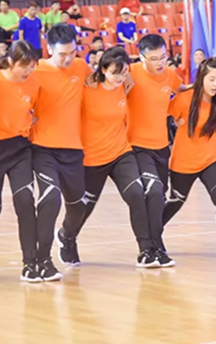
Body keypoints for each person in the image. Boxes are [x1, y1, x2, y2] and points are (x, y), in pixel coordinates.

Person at [66, 47, 159, 267]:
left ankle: (146, 250)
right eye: (115, 72)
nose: (120, 77)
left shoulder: (125, 84)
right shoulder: (86, 89)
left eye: (124, 71)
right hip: (92, 158)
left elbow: (144, 71)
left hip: (120, 152)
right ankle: (67, 237)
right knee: (83, 208)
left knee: (136, 194)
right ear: (103, 70)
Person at [0, 41, 50, 281]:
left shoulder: (34, 83)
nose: (28, 71)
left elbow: (36, 111)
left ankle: (30, 263)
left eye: (32, 66)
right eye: (24, 66)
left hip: (20, 149)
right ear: (10, 62)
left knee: (25, 202)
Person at [163, 58, 216, 257]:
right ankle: (152, 235)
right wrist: (175, 121)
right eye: (211, 79)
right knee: (175, 202)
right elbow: (162, 112)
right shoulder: (185, 98)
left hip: (210, 159)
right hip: (184, 162)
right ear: (201, 78)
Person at [33, 24, 90, 268]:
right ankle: (42, 259)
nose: (68, 59)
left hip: (73, 148)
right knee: (51, 199)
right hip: (43, 147)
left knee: (79, 206)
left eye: (72, 52)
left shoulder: (81, 67)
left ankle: (66, 236)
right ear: (49, 49)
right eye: (62, 54)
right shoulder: (36, 71)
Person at [126, 35, 183, 266]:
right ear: (142, 58)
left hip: (161, 147)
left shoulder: (170, 75)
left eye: (163, 57)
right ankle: (149, 248)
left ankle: (154, 246)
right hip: (137, 146)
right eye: (154, 59)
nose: (160, 63)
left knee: (159, 197)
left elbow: (183, 91)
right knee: (153, 191)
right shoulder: (130, 73)